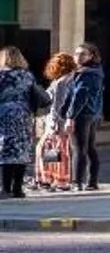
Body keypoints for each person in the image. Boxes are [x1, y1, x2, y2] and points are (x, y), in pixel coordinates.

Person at [55, 43, 106, 192]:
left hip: (82, 115)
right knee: (89, 148)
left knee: (78, 148)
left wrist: (70, 117)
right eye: (76, 54)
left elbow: (79, 96)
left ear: (91, 56)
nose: (78, 57)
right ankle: (92, 181)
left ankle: (77, 182)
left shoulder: (86, 74)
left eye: (83, 54)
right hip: (92, 114)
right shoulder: (95, 72)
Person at [34, 53, 74, 192]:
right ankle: (55, 179)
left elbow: (58, 104)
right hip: (59, 122)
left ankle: (50, 179)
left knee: (46, 150)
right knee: (56, 151)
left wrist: (54, 124)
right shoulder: (69, 80)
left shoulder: (61, 82)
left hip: (56, 122)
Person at [0, 47, 35, 197]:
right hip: (23, 115)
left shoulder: (2, 76)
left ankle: (5, 188)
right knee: (21, 152)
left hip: (4, 115)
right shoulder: (27, 76)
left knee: (6, 152)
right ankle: (18, 189)